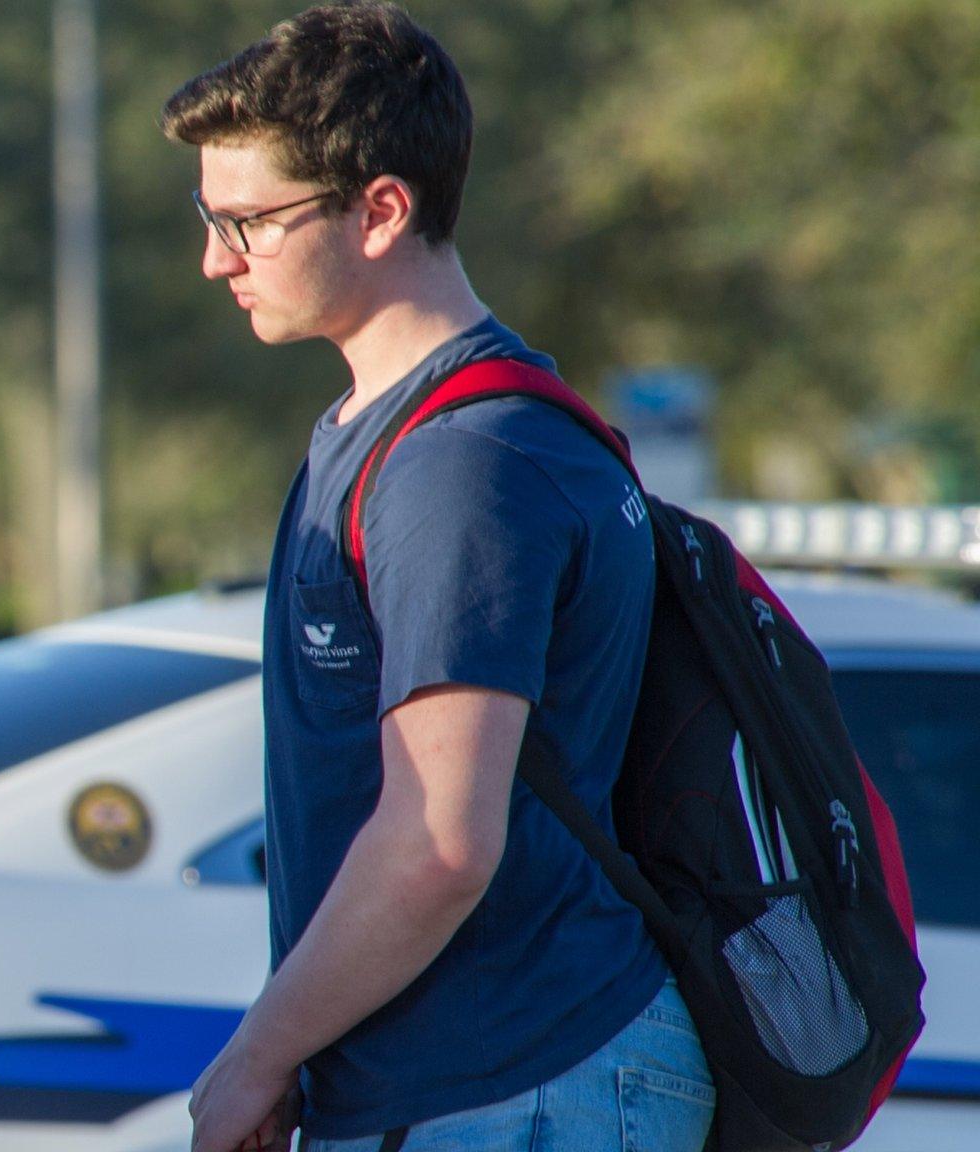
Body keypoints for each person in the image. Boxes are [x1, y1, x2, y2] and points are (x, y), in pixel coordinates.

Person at [160, 5, 712, 1151]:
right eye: (208, 217)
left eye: (247, 222)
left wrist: (257, 1056)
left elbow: (438, 843)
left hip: (516, 1085)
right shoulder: (411, 432)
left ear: (380, 209)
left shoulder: (461, 465)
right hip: (493, 1080)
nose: (216, 257)